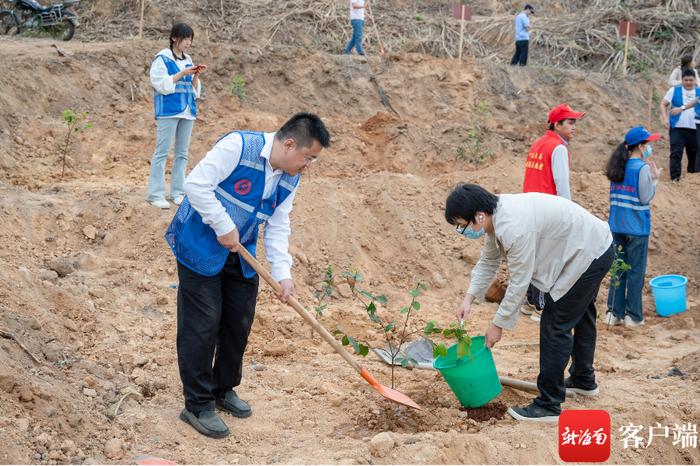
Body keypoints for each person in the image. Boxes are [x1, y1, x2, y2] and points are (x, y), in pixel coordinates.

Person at [165, 113, 331, 438]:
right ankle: (197, 404)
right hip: (200, 245)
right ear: (289, 144)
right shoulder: (238, 147)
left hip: (240, 252)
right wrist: (223, 226)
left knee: (238, 320)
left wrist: (284, 275)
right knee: (203, 324)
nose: (308, 164)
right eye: (308, 157)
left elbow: (279, 225)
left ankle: (222, 388)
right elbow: (195, 184)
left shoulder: (289, 177)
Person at [447, 183, 613, 422]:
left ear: (479, 215)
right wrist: (468, 299)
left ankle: (548, 403)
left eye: (463, 226)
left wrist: (498, 324)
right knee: (581, 312)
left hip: (590, 251)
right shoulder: (496, 217)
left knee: (556, 322)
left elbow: (519, 282)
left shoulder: (514, 227)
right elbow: (487, 262)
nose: (463, 232)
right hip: (592, 245)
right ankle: (583, 379)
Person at [520, 103, 586, 320]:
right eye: (570, 122)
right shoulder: (558, 147)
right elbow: (561, 183)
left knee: (535, 256)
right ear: (557, 124)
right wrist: (570, 214)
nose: (574, 127)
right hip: (549, 211)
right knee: (549, 259)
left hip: (530, 207)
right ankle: (541, 307)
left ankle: (529, 302)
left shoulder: (538, 144)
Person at [604, 127, 662, 328]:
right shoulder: (642, 168)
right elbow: (645, 197)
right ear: (640, 146)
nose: (650, 147)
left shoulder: (618, 166)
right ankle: (633, 316)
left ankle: (613, 312)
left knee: (618, 270)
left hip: (617, 226)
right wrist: (655, 181)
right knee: (636, 273)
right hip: (637, 228)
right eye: (648, 143)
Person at [147, 23, 206, 209]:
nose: (188, 42)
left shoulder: (188, 59)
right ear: (174, 38)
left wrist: (195, 75)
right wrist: (181, 73)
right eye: (185, 38)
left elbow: (194, 89)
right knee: (162, 152)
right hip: (169, 111)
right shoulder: (162, 59)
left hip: (187, 111)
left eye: (190, 39)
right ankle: (156, 194)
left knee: (182, 153)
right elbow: (160, 84)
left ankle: (178, 192)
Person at [660, 68, 700, 182]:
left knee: (693, 154)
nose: (688, 82)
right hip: (677, 128)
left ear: (695, 80)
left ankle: (692, 179)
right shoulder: (674, 90)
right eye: (686, 80)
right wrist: (664, 119)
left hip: (695, 129)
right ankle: (675, 179)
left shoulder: (699, 92)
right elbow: (663, 104)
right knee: (676, 153)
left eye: (690, 80)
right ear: (682, 80)